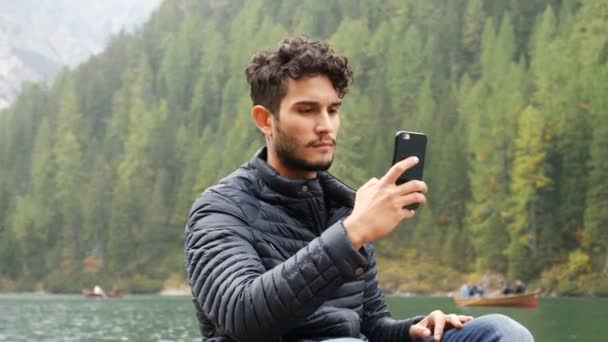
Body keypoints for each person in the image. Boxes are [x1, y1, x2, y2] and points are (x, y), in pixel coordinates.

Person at [184, 37, 534, 342]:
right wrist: (351, 233)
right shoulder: (220, 211)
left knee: (503, 332)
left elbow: (371, 326)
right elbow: (243, 317)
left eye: (333, 110)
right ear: (264, 120)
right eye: (307, 110)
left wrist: (415, 328)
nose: (325, 126)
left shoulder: (343, 206)